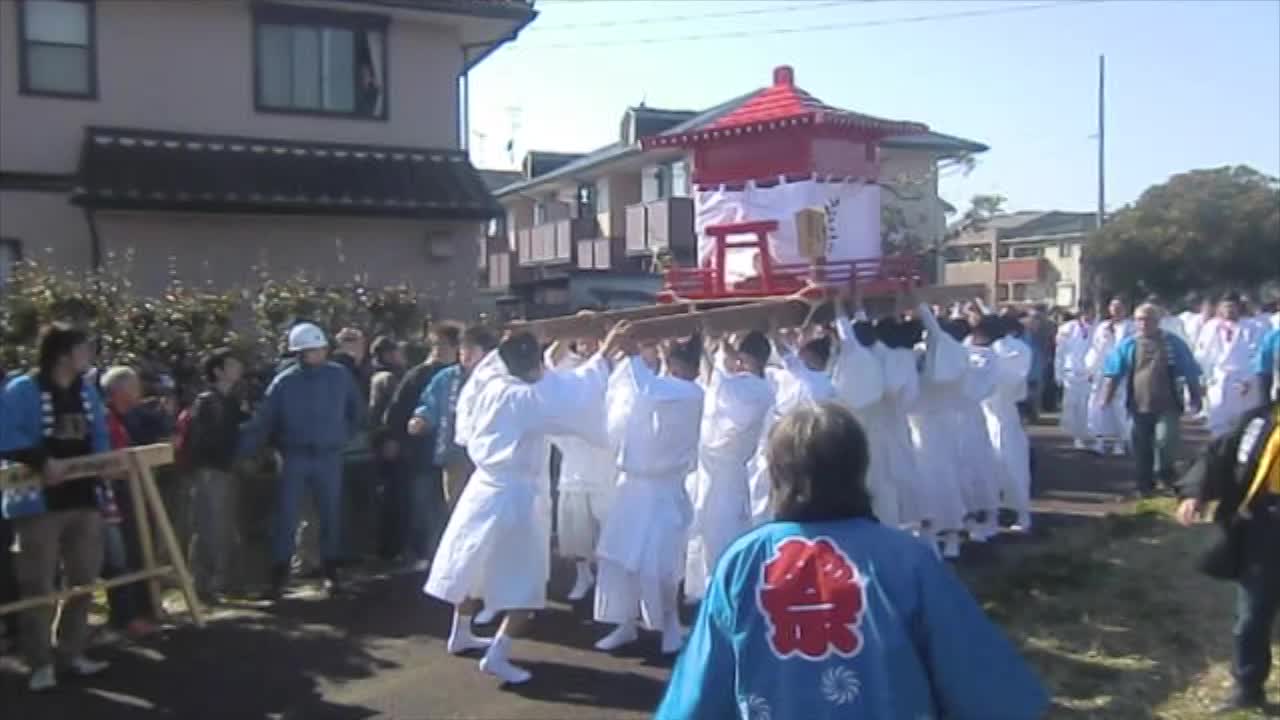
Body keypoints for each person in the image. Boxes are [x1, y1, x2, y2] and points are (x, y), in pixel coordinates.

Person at [654, 403, 1050, 720]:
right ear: (859, 469)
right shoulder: (907, 559)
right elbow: (983, 684)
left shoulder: (742, 562)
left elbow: (698, 695)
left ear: (777, 474)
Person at [423, 326, 624, 685]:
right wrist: (605, 353)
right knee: (526, 580)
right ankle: (497, 655)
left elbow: (526, 374)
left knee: (473, 562)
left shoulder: (490, 384)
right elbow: (575, 394)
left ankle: (461, 632)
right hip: (515, 496)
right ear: (532, 367)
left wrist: (553, 338)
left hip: (482, 488)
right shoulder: (527, 399)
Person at [0, 323, 112, 692]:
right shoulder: (22, 389)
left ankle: (71, 651)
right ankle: (38, 662)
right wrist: (39, 460)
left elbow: (99, 432)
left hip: (83, 495)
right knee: (38, 583)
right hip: (38, 500)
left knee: (84, 580)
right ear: (63, 354)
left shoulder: (86, 391)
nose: (90, 355)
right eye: (85, 348)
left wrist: (104, 461)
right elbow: (5, 432)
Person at [594, 334, 705, 656]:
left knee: (659, 565)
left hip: (663, 489)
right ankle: (625, 623)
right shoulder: (661, 387)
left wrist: (632, 353)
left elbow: (647, 386)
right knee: (619, 558)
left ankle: (669, 624)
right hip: (632, 487)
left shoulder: (688, 392)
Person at [237, 322, 363, 599]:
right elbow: (264, 420)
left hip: (328, 455)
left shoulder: (339, 376)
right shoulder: (285, 382)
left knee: (331, 515)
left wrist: (343, 436)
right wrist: (244, 450)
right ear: (300, 353)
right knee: (287, 517)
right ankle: (279, 574)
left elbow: (357, 410)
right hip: (295, 456)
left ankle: (331, 572)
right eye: (312, 350)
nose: (318, 354)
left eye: (320, 349)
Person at [1175, 397, 1279, 714]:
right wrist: (1196, 493)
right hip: (1266, 522)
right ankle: (1248, 687)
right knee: (1253, 612)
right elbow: (1220, 454)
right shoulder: (1261, 419)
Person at [684, 331, 774, 604]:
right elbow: (720, 385)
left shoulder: (753, 388)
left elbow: (720, 386)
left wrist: (714, 347)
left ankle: (720, 592)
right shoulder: (758, 386)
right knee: (709, 529)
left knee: (720, 531)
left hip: (726, 469)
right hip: (719, 469)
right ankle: (704, 588)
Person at [545, 332, 618, 602]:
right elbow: (550, 360)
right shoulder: (571, 370)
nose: (587, 344)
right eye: (583, 339)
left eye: (592, 338)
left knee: (608, 527)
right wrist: (571, 327)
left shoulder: (614, 368)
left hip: (605, 461)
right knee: (575, 529)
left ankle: (609, 582)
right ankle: (583, 576)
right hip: (574, 462)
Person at [1103, 303, 1203, 497]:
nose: (1144, 323)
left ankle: (1165, 474)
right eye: (1140, 319)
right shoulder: (1129, 344)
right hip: (1138, 404)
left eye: (1148, 319)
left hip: (1168, 403)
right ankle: (1144, 484)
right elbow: (1114, 372)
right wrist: (1105, 398)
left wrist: (1196, 396)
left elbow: (1190, 371)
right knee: (1141, 446)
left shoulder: (1173, 343)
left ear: (1158, 321)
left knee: (1165, 440)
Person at [385, 322, 462, 567]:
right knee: (424, 507)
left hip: (456, 455)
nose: (437, 350)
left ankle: (452, 557)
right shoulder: (419, 375)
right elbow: (398, 411)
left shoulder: (469, 376)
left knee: (454, 508)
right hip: (423, 454)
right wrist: (396, 437)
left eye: (443, 344)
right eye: (435, 344)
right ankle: (427, 555)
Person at [98, 366, 159, 638]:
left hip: (129, 493)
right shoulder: (104, 419)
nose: (140, 392)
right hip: (110, 496)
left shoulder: (129, 418)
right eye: (134, 386)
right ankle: (124, 617)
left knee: (135, 552)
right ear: (119, 390)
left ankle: (141, 610)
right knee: (118, 558)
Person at [185, 348, 246, 602]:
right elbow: (200, 440)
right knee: (208, 527)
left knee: (226, 526)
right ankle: (203, 584)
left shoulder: (233, 400)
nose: (238, 368)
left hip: (228, 469)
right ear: (217, 370)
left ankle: (224, 581)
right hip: (210, 470)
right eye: (232, 364)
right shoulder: (207, 401)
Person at [974, 316, 1035, 532]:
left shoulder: (1016, 349)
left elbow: (1012, 380)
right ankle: (992, 514)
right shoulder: (976, 348)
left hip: (1005, 414)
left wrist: (989, 362)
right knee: (985, 468)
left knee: (1012, 464)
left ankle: (1022, 514)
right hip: (981, 414)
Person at [1195, 293, 1265, 439]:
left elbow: (1258, 355)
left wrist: (1249, 378)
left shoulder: (1253, 327)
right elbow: (1202, 356)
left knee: (1244, 422)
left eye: (1232, 307)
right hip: (1218, 379)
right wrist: (1202, 378)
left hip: (1244, 380)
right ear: (1219, 308)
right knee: (1217, 420)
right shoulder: (1211, 327)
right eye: (1225, 306)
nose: (1229, 310)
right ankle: (1218, 453)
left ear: (1239, 308)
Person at [367, 336, 407, 561]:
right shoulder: (388, 378)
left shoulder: (377, 376)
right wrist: (390, 439)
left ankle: (388, 547)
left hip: (382, 443)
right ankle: (391, 548)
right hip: (390, 444)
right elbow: (388, 413)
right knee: (394, 497)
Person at [1086, 298, 1133, 456]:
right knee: (1098, 407)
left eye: (1119, 307)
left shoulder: (1130, 327)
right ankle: (1099, 441)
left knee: (1119, 408)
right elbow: (1095, 348)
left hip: (1121, 373)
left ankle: (1120, 442)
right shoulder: (1102, 327)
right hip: (1101, 372)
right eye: (1113, 307)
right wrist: (1090, 369)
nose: (1116, 310)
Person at [1055, 301, 1096, 450]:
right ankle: (1077, 436)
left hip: (1090, 373)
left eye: (1089, 309)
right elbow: (1060, 352)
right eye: (1084, 310)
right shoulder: (1067, 328)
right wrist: (1058, 372)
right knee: (1072, 405)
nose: (1087, 313)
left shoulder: (1099, 328)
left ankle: (1091, 435)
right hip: (1071, 372)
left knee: (1088, 405)